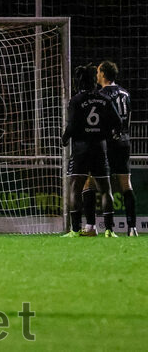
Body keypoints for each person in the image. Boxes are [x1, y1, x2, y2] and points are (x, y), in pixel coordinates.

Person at [62, 64, 120, 237]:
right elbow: (117, 122)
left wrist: (64, 138)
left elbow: (72, 125)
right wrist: (109, 133)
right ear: (94, 81)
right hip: (99, 148)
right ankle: (109, 230)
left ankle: (74, 229)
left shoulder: (76, 100)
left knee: (75, 188)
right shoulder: (104, 99)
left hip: (81, 148)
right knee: (105, 189)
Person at [95, 61, 136, 237]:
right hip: (124, 142)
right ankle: (132, 227)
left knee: (99, 184)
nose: (97, 75)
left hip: (107, 143)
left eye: (98, 72)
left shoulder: (101, 95)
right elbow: (129, 119)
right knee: (126, 184)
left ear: (103, 74)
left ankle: (105, 227)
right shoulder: (125, 93)